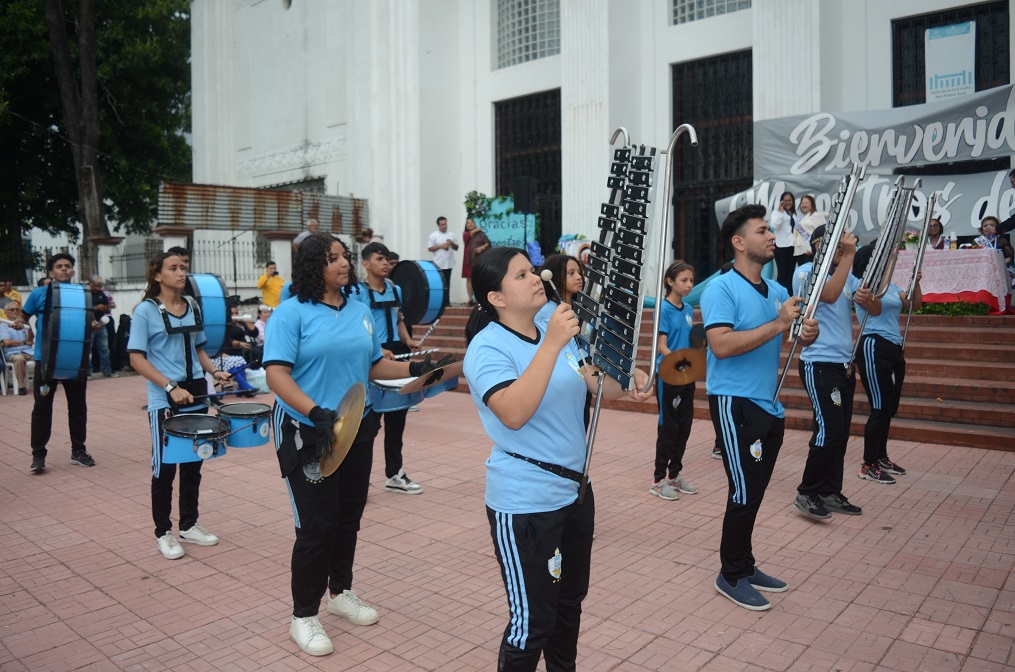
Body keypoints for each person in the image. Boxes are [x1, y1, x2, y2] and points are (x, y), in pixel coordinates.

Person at [464, 246, 651, 669]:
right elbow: (512, 412)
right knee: (531, 623)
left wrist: (631, 375)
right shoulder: (488, 347)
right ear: (496, 298)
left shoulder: (554, 328)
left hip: (575, 493)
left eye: (533, 272)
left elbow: (599, 385)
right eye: (521, 276)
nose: (535, 279)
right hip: (526, 502)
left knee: (568, 609)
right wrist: (551, 343)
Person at [263, 233, 440, 656]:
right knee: (316, 527)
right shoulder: (290, 314)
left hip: (356, 426)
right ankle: (303, 616)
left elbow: (373, 363)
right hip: (310, 431)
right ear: (312, 267)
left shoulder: (360, 310)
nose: (346, 264)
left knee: (348, 517)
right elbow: (276, 375)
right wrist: (315, 412)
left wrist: (416, 367)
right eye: (335, 259)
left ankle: (340, 593)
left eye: (345, 257)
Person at [701, 204, 818, 611]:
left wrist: (805, 331)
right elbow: (721, 345)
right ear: (739, 242)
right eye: (763, 230)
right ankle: (730, 574)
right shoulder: (721, 288)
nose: (772, 236)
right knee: (744, 490)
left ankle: (745, 565)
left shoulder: (778, 292)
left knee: (755, 491)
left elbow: (792, 335)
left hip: (769, 405)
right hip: (735, 403)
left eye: (771, 230)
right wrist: (780, 324)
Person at [128, 252, 234, 559]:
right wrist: (170, 386)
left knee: (193, 463)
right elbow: (136, 358)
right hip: (165, 398)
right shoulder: (145, 311)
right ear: (157, 275)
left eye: (183, 268)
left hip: (196, 393)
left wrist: (215, 371)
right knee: (164, 468)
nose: (181, 273)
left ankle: (189, 524)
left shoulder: (193, 306)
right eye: (173, 268)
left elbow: (198, 347)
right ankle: (163, 531)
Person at [792, 225, 877, 522]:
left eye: (845, 246)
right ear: (819, 246)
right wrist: (849, 255)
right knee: (829, 430)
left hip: (843, 365)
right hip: (819, 363)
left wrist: (868, 299)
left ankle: (829, 491)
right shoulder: (806, 273)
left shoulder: (847, 276)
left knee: (838, 434)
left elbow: (872, 309)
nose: (843, 251)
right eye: (839, 246)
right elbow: (827, 295)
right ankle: (808, 491)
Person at [347, 241, 425, 494]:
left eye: (386, 259)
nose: (385, 263)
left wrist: (408, 340)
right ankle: (358, 479)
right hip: (372, 357)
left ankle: (395, 473)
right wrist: (376, 350)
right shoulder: (355, 292)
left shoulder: (395, 289)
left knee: (397, 416)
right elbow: (354, 325)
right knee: (369, 420)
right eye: (379, 259)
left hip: (397, 353)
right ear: (366, 263)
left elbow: (398, 319)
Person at [16, 254, 95, 472]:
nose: (63, 270)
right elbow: (24, 316)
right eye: (59, 267)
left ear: (72, 271)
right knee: (42, 409)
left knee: (78, 408)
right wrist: (19, 323)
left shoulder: (81, 294)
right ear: (51, 272)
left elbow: (87, 320)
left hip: (74, 360)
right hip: (45, 360)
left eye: (67, 266)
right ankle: (38, 455)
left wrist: (94, 325)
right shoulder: (39, 294)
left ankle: (78, 450)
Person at [853, 245, 922, 485]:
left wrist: (915, 283)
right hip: (873, 346)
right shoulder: (864, 287)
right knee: (879, 408)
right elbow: (876, 308)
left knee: (889, 408)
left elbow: (914, 304)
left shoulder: (891, 286)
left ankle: (881, 457)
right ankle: (868, 464)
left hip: (894, 347)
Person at [650, 260, 699, 501]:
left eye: (691, 280)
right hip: (669, 375)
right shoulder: (663, 309)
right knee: (668, 428)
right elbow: (662, 346)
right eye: (684, 280)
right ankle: (658, 481)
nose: (689, 285)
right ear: (670, 282)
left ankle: (674, 476)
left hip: (687, 375)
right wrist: (680, 360)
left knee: (684, 426)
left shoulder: (688, 310)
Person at [1, 301, 34, 394]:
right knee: (19, 358)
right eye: (12, 310)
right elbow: (6, 342)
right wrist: (24, 342)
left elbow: (30, 340)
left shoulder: (23, 325)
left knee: (41, 357)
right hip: (12, 353)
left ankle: (42, 384)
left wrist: (28, 325)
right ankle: (21, 386)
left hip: (27, 351)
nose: (15, 311)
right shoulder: (3, 326)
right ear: (6, 312)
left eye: (17, 309)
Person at [427, 216, 459, 307]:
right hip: (438, 263)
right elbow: (430, 248)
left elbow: (457, 248)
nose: (444, 226)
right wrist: (441, 246)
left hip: (449, 262)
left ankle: (447, 301)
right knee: (440, 283)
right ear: (438, 225)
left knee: (447, 283)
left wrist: (451, 243)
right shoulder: (434, 235)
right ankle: (440, 302)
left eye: (445, 224)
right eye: (442, 224)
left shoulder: (451, 235)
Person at [769, 191, 797, 294]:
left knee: (791, 273)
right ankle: (780, 295)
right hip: (781, 246)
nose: (787, 203)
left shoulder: (794, 214)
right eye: (785, 201)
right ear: (781, 202)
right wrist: (781, 211)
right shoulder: (776, 213)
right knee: (782, 273)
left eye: (789, 200)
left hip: (792, 246)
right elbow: (775, 225)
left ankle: (789, 295)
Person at [792, 195, 825, 270]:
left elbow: (820, 233)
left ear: (812, 204)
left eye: (806, 203)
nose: (804, 205)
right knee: (801, 272)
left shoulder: (815, 215)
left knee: (810, 271)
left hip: (809, 250)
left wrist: (811, 248)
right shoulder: (800, 217)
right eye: (802, 203)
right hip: (800, 250)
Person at [89, 276, 113, 378]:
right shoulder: (86, 294)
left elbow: (108, 307)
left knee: (104, 349)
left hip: (101, 323)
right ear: (91, 284)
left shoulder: (101, 294)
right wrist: (95, 308)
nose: (99, 288)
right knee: (87, 350)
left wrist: (105, 308)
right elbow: (84, 308)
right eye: (97, 286)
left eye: (100, 286)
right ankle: (87, 372)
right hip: (89, 325)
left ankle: (106, 370)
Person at [462, 218, 491, 305]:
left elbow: (487, 243)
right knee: (469, 280)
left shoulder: (481, 234)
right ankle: (470, 299)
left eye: (472, 222)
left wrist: (481, 248)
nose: (470, 224)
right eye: (468, 223)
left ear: (474, 224)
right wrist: (476, 230)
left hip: (479, 260)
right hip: (468, 261)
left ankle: (478, 299)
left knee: (478, 279)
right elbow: (469, 234)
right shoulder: (465, 234)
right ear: (466, 226)